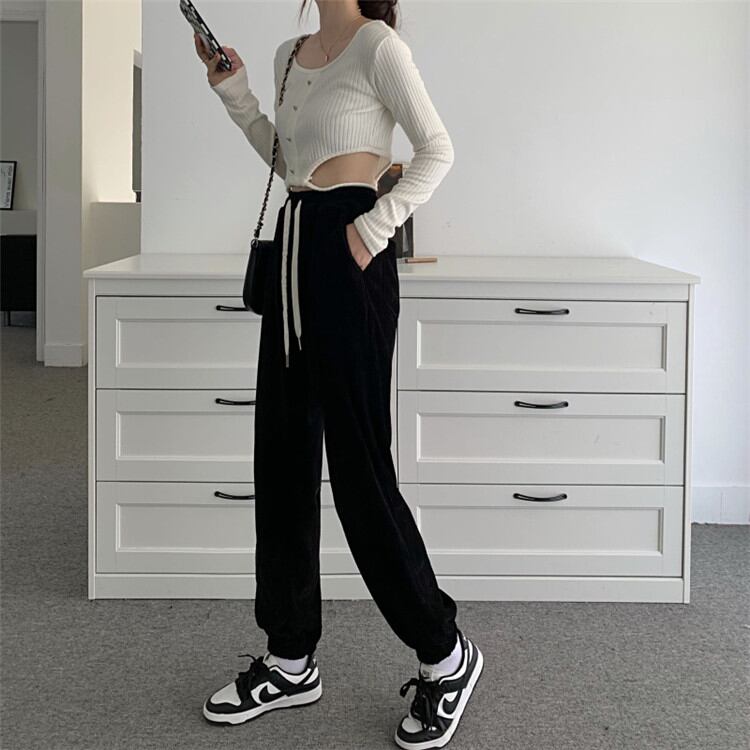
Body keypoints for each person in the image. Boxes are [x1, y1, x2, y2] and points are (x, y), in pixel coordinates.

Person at [195, 2, 482, 747]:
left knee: (359, 471)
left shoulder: (377, 46)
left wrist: (373, 227)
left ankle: (445, 654)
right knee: (282, 460)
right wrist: (236, 94)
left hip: (349, 252)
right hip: (293, 247)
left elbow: (438, 149)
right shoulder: (290, 54)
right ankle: (290, 657)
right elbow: (287, 161)